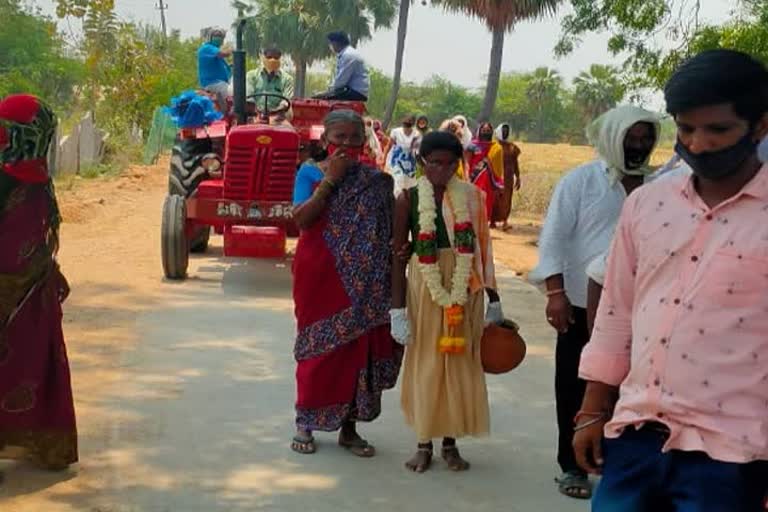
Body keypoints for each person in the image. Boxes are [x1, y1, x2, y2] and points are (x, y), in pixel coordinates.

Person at [575, 49, 768, 512]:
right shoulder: (648, 206)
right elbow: (617, 313)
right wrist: (591, 411)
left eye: (717, 129)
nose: (697, 144)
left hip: (731, 454)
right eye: (685, 129)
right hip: (635, 436)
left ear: (760, 126)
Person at [529, 105, 661, 500]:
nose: (639, 147)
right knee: (574, 384)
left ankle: (615, 460)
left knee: (632, 390)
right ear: (612, 138)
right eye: (631, 139)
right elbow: (552, 240)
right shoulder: (580, 182)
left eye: (645, 139)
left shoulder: (663, 184)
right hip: (580, 302)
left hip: (643, 308)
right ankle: (571, 466)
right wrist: (555, 294)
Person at [290, 110, 402, 457]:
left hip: (366, 284)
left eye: (355, 138)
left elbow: (388, 233)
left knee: (358, 351)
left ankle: (349, 429)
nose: (348, 145)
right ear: (325, 141)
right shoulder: (309, 172)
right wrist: (331, 181)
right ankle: (305, 422)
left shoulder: (376, 182)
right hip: (320, 276)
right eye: (339, 137)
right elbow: (302, 219)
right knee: (318, 351)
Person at [390, 131, 503, 473]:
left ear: (459, 164)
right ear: (422, 162)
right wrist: (396, 310)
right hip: (426, 285)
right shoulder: (408, 198)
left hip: (464, 283)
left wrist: (494, 299)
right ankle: (424, 442)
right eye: (434, 162)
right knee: (426, 360)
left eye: (450, 163)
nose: (442, 170)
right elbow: (397, 255)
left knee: (458, 361)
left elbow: (483, 249)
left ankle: (450, 443)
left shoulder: (472, 197)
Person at [0, 94, 77, 472]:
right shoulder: (40, 176)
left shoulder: (11, 174)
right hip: (33, 295)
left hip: (19, 294)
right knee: (33, 367)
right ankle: (46, 445)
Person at [314, 32, 370, 102]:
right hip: (353, 91)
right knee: (324, 97)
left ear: (336, 43)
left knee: (321, 101)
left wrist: (324, 93)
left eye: (330, 43)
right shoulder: (346, 54)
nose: (330, 46)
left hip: (356, 93)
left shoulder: (348, 55)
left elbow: (340, 82)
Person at [467, 122, 504, 221]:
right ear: (479, 131)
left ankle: (484, 226)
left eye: (488, 131)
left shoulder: (496, 147)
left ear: (491, 132)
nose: (486, 132)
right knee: (474, 202)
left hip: (489, 181)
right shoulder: (472, 145)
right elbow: (467, 161)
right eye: (484, 130)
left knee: (486, 201)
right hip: (474, 178)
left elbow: (498, 165)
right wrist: (467, 175)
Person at [245, 47, 294, 115]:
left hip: (278, 116)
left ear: (280, 59)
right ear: (263, 58)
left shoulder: (287, 79)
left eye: (276, 58)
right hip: (255, 115)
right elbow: (249, 98)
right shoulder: (251, 76)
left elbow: (285, 102)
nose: (272, 60)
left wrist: (274, 112)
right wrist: (257, 113)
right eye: (269, 57)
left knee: (286, 125)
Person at [491, 123, 522, 231]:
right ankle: (492, 221)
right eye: (503, 130)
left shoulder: (512, 147)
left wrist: (518, 177)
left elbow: (515, 163)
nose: (505, 132)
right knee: (495, 198)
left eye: (506, 131)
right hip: (496, 175)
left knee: (507, 199)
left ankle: (505, 221)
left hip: (508, 176)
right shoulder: (493, 146)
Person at [197, 27, 232, 112]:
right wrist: (233, 51)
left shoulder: (214, 52)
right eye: (216, 35)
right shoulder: (206, 48)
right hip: (213, 83)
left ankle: (228, 113)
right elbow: (223, 53)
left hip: (220, 83)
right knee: (234, 93)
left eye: (220, 36)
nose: (218, 38)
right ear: (210, 37)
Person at [385, 115, 419, 194]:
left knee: (408, 183)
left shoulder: (416, 133)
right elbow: (389, 145)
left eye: (410, 121)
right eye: (406, 121)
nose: (407, 123)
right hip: (397, 159)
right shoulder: (395, 131)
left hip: (410, 161)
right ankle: (396, 199)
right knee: (398, 180)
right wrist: (384, 157)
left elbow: (416, 148)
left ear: (413, 123)